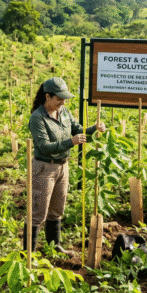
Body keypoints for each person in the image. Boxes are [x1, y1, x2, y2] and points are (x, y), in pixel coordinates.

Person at [25, 77, 105, 256]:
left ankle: (55, 246)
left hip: (62, 166)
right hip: (44, 168)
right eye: (59, 98)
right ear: (47, 97)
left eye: (64, 99)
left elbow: (78, 129)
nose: (63, 102)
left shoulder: (64, 112)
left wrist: (94, 129)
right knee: (38, 211)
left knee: (56, 209)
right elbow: (44, 146)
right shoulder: (37, 118)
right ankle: (28, 254)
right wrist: (71, 142)